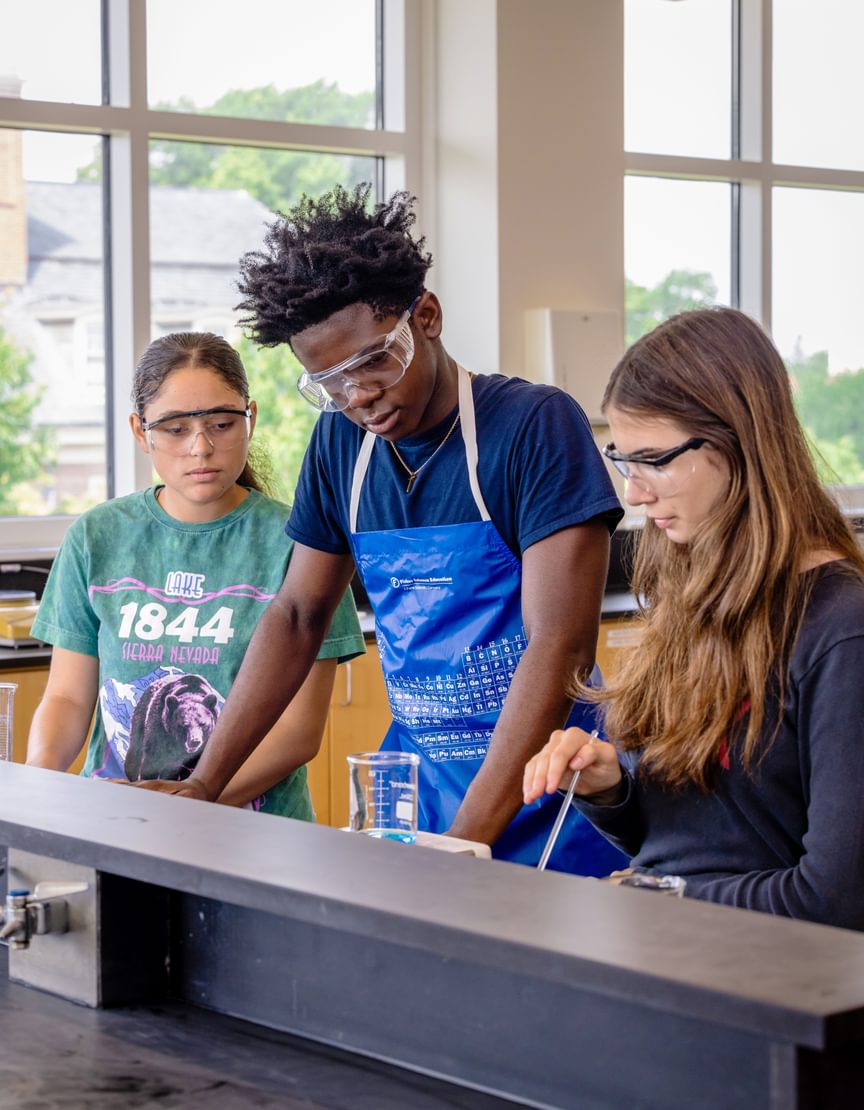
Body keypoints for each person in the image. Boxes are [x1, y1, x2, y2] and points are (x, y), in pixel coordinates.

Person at [132, 184, 627, 875]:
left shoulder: (532, 427)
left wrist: (464, 842)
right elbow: (299, 615)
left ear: (426, 316)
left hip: (550, 791)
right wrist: (203, 784)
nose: (358, 396)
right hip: (416, 797)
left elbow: (560, 645)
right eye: (328, 381)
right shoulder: (342, 445)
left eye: (373, 360)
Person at [523, 306, 864, 928]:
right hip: (687, 954)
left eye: (655, 459)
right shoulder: (692, 593)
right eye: (624, 460)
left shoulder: (841, 628)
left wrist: (660, 897)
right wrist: (614, 792)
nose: (633, 491)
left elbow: (837, 900)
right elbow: (701, 845)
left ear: (739, 442)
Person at [27, 332, 364, 818]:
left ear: (251, 418)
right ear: (141, 432)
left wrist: (193, 801)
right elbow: (66, 697)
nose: (201, 447)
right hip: (116, 823)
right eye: (175, 429)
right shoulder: (97, 536)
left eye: (222, 424)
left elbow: (297, 731)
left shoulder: (303, 543)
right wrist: (40, 781)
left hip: (256, 835)